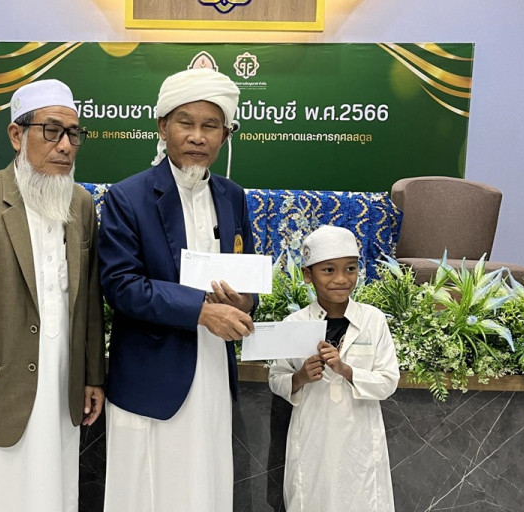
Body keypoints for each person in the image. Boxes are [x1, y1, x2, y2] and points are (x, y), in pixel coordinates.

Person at [0, 79, 105, 512]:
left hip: (62, 386)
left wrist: (92, 376)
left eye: (73, 134)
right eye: (52, 131)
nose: (65, 145)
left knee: (53, 492)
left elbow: (88, 301)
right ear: (16, 134)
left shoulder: (81, 204)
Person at [98, 68, 258, 512]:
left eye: (211, 126)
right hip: (152, 374)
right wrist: (201, 311)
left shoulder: (232, 196)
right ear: (162, 127)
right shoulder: (127, 197)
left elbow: (247, 275)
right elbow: (121, 285)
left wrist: (245, 301)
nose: (197, 137)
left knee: (205, 486)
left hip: (212, 367)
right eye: (185, 123)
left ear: (226, 134)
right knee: (147, 493)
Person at [268, 225, 399, 512]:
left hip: (359, 438)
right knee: (311, 496)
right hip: (312, 435)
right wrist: (300, 377)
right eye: (329, 270)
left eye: (350, 269)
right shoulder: (295, 324)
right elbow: (276, 379)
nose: (341, 279)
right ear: (308, 274)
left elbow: (388, 381)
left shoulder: (373, 320)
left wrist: (346, 370)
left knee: (362, 498)